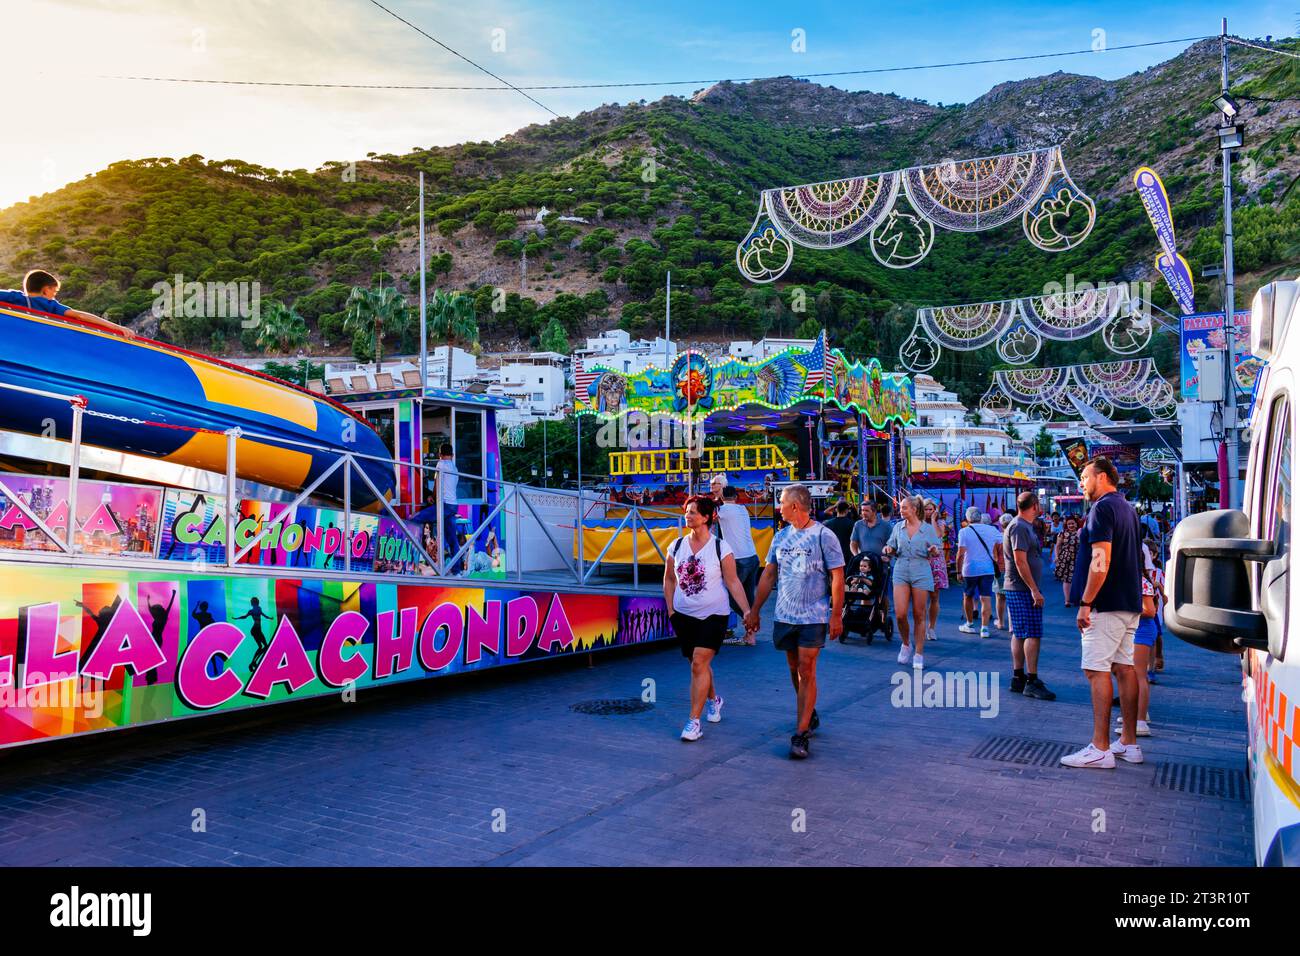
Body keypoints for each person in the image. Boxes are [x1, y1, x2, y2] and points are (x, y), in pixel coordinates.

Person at [745, 483, 844, 760]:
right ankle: (809, 712)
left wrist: (836, 614)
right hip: (784, 614)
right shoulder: (780, 537)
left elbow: (837, 575)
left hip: (814, 614)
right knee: (794, 668)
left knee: (806, 668)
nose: (778, 507)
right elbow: (768, 576)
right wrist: (754, 610)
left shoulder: (824, 536)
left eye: (782, 503)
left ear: (795, 506)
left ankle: (800, 734)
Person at [1061, 457, 1144, 769]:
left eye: (1085, 476)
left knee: (1096, 671)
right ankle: (1129, 743)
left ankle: (1100, 748)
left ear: (1102, 476)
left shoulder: (1102, 509)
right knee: (1125, 668)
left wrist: (1085, 602)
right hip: (1128, 600)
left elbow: (1101, 560)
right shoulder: (1127, 508)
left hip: (1106, 604)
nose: (1082, 483)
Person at [665, 495, 755, 742]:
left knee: (698, 663)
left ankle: (694, 722)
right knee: (698, 666)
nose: (688, 515)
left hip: (714, 615)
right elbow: (669, 580)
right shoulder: (675, 546)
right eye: (687, 511)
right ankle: (715, 700)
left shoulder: (720, 548)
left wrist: (747, 611)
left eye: (693, 512)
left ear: (706, 517)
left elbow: (733, 581)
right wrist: (671, 611)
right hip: (684, 615)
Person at [1003, 492, 1056, 701]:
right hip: (1022, 588)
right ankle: (1031, 680)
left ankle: (1018, 677)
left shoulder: (1022, 526)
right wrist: (1034, 589)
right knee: (1032, 633)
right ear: (1034, 505)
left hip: (1019, 587)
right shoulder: (1019, 527)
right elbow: (1020, 560)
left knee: (1020, 632)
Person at [883, 495, 941, 670]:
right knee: (900, 614)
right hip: (901, 569)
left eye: (904, 507)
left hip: (921, 570)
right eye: (901, 508)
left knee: (918, 614)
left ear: (914, 509)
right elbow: (891, 546)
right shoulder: (897, 528)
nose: (901, 510)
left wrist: (933, 550)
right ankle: (906, 644)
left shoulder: (928, 529)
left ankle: (919, 652)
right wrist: (888, 549)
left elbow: (936, 551)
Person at [0, 269, 135, 337]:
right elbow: (79, 316)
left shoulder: (14, 297)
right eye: (55, 292)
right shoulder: (49, 305)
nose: (54, 296)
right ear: (46, 290)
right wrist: (117, 327)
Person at [717, 486, 760, 647]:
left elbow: (708, 516)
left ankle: (748, 620)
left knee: (728, 595)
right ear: (736, 496)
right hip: (752, 557)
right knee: (748, 597)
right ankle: (750, 635)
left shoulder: (722, 510)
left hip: (738, 559)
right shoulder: (743, 510)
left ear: (722, 497)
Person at [956, 506, 1002, 638]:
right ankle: (985, 628)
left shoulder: (964, 532)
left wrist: (958, 572)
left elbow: (960, 554)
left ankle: (970, 624)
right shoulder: (991, 529)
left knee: (968, 596)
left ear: (968, 518)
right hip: (987, 568)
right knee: (985, 598)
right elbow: (1001, 542)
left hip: (970, 568)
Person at [923, 499, 948, 643]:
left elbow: (938, 535)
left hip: (936, 560)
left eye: (930, 509)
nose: (928, 512)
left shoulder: (939, 523)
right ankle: (921, 626)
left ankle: (931, 627)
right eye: (925, 509)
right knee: (920, 597)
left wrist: (933, 519)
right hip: (922, 559)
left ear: (935, 510)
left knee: (934, 596)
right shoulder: (918, 523)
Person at [435, 443, 462, 573]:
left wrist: (432, 497)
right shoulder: (455, 468)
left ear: (440, 455)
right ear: (452, 455)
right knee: (452, 539)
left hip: (444, 505)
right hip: (453, 505)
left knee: (417, 519)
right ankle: (457, 570)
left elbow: (437, 485)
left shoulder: (440, 464)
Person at [1053, 515, 1081, 606]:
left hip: (1078, 558)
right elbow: (1057, 546)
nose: (1071, 525)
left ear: (1076, 524)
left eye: (1073, 523)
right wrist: (1057, 557)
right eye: (1069, 524)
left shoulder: (1080, 533)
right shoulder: (1062, 533)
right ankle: (1067, 600)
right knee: (1067, 580)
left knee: (1078, 579)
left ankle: (1079, 599)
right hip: (1066, 558)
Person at [992, 512, 1013, 631]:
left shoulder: (998, 538)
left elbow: (994, 557)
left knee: (1000, 597)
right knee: (1012, 597)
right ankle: (1012, 625)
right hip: (1013, 570)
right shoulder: (1015, 536)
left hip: (1000, 569)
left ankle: (1000, 622)